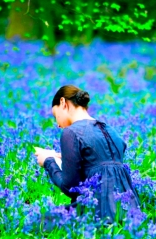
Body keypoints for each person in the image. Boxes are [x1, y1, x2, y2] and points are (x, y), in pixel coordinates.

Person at [35, 85, 141, 223]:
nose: (58, 125)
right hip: (131, 212)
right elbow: (102, 160)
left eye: (56, 115)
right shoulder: (110, 130)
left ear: (63, 103)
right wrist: (63, 156)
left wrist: (48, 161)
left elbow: (70, 187)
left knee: (39, 222)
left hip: (98, 210)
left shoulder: (70, 132)